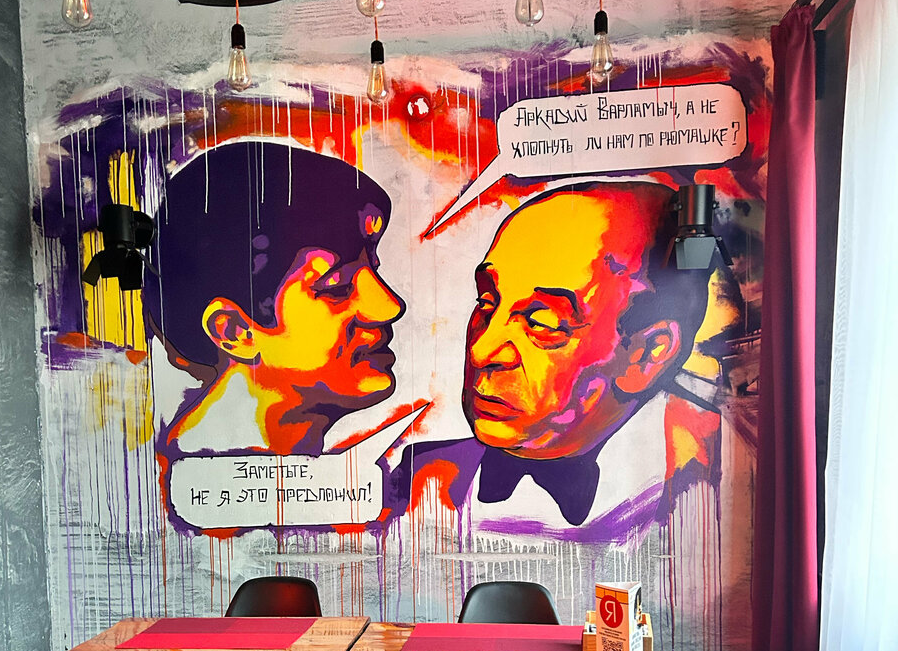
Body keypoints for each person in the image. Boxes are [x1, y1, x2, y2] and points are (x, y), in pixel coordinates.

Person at [393, 180, 715, 532]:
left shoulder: (715, 486)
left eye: (542, 323)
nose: (481, 350)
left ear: (647, 356)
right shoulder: (416, 476)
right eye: (486, 303)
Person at [144, 140, 405, 458]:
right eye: (337, 287)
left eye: (373, 270)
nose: (389, 306)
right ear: (235, 331)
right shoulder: (179, 475)